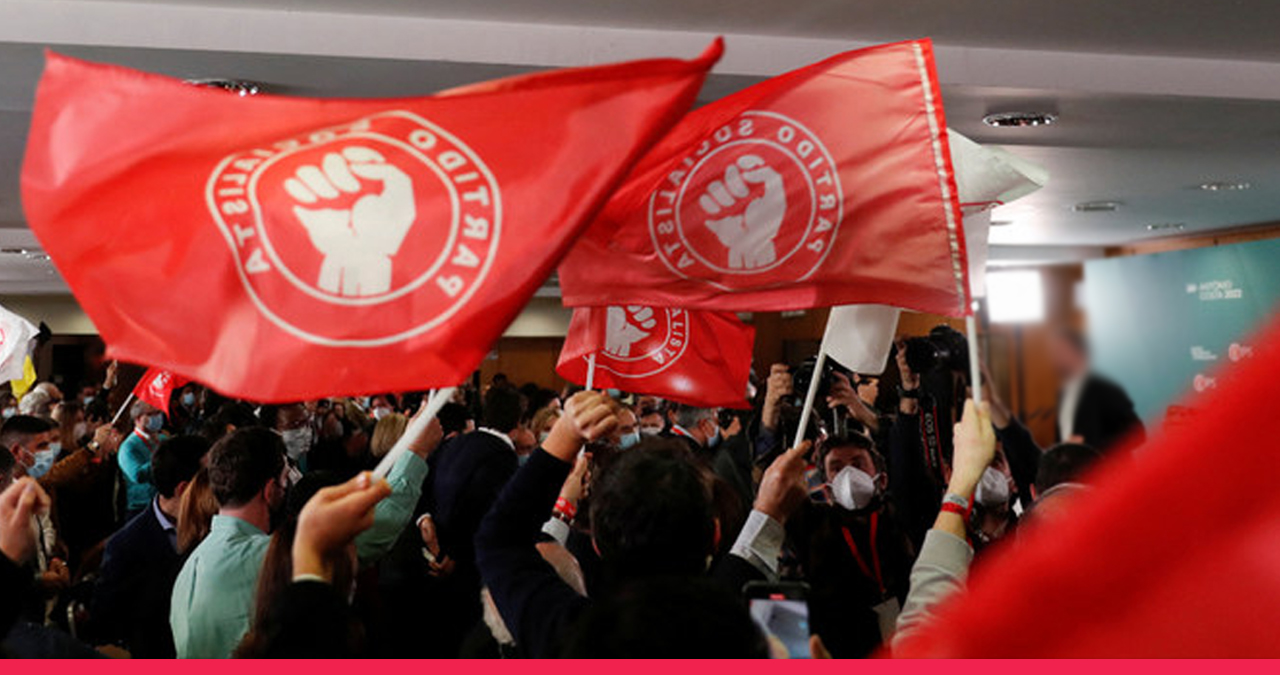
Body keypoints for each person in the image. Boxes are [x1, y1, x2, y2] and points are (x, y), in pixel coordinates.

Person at [476, 390, 812, 657]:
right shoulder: (745, 640)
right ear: (715, 535)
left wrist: (565, 436)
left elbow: (500, 539)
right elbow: (732, 581)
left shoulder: (573, 637)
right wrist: (769, 515)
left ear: (597, 542)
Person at [786, 430, 915, 657]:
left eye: (858, 464)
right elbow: (778, 493)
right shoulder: (813, 528)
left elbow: (911, 469)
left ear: (882, 479)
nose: (848, 474)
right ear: (827, 491)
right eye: (836, 469)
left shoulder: (904, 518)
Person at [416, 384, 523, 655]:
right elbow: (485, 513)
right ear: (519, 423)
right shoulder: (503, 458)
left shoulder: (458, 442)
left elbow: (426, 483)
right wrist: (455, 553)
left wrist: (427, 525)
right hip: (467, 569)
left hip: (435, 556)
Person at [169, 427, 288, 659]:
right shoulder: (267, 557)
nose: (286, 488)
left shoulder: (190, 567)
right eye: (284, 479)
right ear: (269, 490)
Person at [93, 435, 207, 657]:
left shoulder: (215, 526)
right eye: (209, 479)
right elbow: (106, 624)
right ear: (184, 489)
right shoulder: (126, 546)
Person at [1049, 328, 1146, 453]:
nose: (1055, 357)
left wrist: (1088, 446)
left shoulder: (1105, 389)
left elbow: (1138, 434)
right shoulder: (1062, 395)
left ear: (1078, 352)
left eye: (1060, 351)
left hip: (1110, 466)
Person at [118, 400, 166, 520]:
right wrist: (164, 460)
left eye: (158, 413)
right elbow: (137, 474)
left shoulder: (163, 439)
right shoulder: (128, 446)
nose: (157, 417)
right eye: (151, 414)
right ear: (138, 419)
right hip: (140, 507)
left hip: (163, 503)